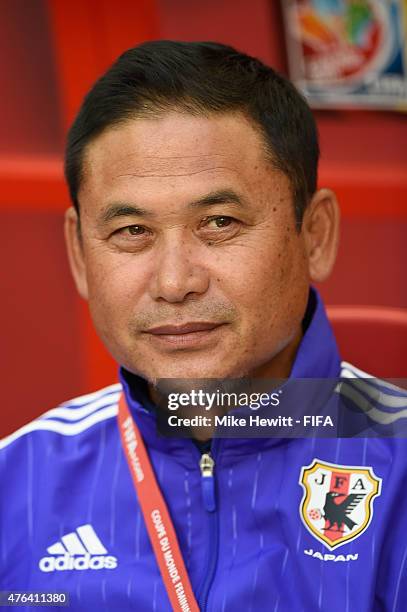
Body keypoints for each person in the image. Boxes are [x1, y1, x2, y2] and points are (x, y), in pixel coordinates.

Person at [0, 40, 406, 612]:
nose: (174, 282)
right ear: (78, 252)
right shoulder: (16, 482)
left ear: (314, 234)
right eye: (132, 231)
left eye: (219, 222)